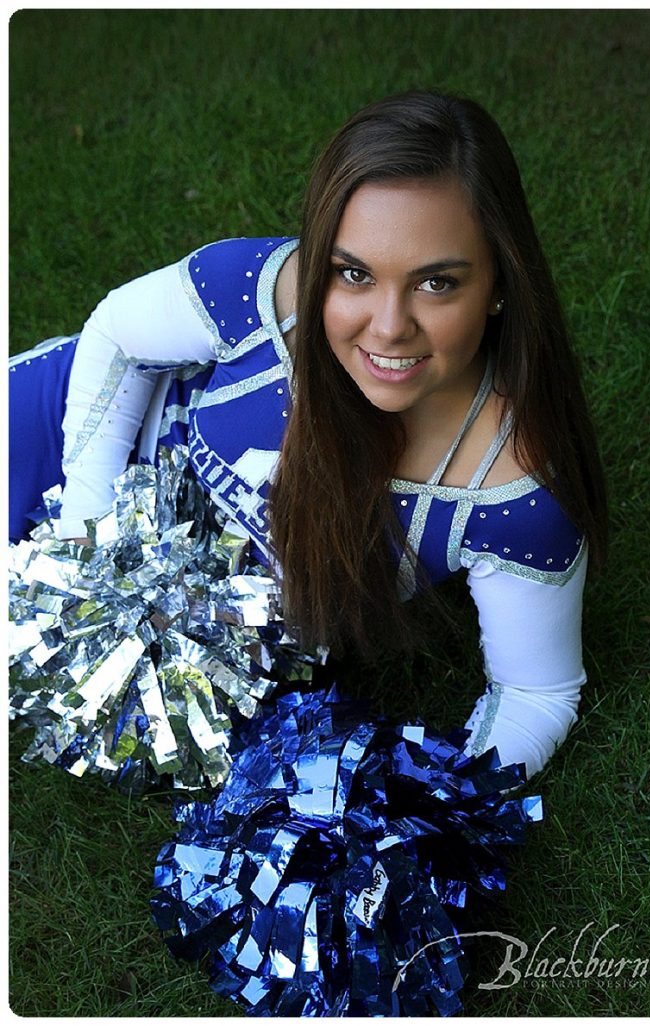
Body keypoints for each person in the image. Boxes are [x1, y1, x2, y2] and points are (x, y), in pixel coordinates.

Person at [9, 89, 606, 784]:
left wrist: (441, 809)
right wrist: (88, 541)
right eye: (354, 273)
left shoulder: (510, 494)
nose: (387, 327)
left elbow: (536, 692)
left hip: (200, 637)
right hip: (65, 435)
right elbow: (116, 337)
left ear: (501, 283)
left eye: (436, 284)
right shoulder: (266, 294)